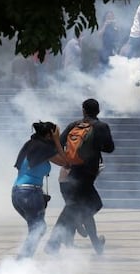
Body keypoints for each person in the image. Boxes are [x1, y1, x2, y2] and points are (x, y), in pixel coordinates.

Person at [45, 98, 115, 255]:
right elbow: (110, 148)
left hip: (74, 172)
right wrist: (96, 147)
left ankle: (64, 240)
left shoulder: (73, 125)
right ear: (98, 111)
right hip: (87, 173)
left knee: (76, 207)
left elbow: (59, 143)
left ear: (83, 110)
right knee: (91, 205)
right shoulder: (101, 126)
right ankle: (54, 242)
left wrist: (66, 159)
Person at [12, 121, 67, 259]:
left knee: (36, 229)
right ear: (49, 135)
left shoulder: (30, 144)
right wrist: (57, 141)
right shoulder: (43, 148)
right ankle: (21, 262)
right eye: (55, 134)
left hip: (17, 193)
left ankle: (23, 262)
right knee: (38, 228)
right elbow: (66, 163)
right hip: (30, 193)